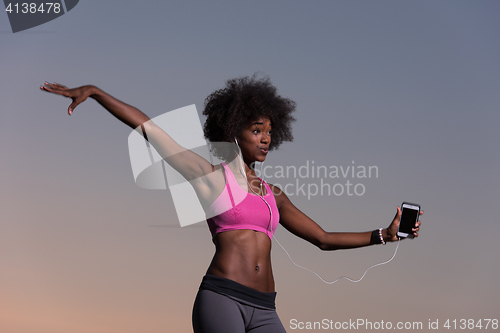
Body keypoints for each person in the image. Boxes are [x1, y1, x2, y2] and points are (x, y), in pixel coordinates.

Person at [40, 75, 422, 333]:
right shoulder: (210, 177)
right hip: (221, 299)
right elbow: (150, 129)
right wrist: (96, 91)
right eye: (256, 130)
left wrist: (384, 235)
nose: (266, 139)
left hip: (265, 308)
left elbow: (322, 238)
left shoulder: (275, 195)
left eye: (269, 131)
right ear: (232, 131)